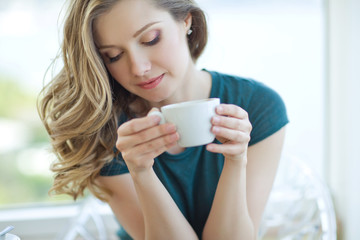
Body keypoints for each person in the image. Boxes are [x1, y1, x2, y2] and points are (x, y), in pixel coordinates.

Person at [38, 0, 289, 239]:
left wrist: (235, 162)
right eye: (113, 55)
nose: (138, 68)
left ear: (186, 21)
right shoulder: (105, 130)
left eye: (151, 39)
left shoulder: (258, 106)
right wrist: (141, 173)